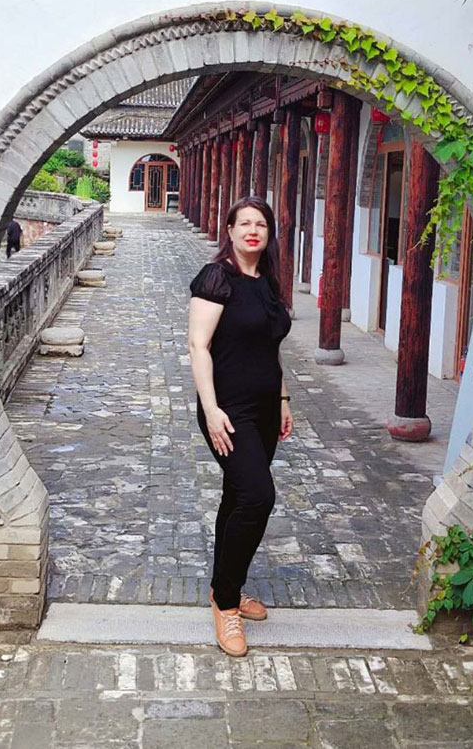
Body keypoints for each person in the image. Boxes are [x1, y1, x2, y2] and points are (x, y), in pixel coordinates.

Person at [188, 196, 293, 658]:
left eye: (261, 224)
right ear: (229, 230)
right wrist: (211, 410)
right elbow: (198, 346)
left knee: (236, 497)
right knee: (257, 496)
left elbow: (272, 348)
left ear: (268, 234)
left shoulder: (267, 282)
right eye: (244, 223)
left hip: (266, 409)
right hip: (229, 410)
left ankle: (223, 586)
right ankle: (226, 604)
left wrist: (284, 399)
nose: (253, 230)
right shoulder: (217, 278)